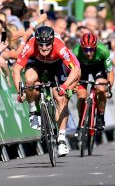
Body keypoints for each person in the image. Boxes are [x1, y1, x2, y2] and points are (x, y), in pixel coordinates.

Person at [13, 26, 81, 156]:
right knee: (29, 80)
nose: (44, 48)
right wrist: (20, 91)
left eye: (47, 45)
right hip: (36, 64)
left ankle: (61, 140)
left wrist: (65, 87)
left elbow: (76, 70)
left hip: (56, 66)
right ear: (37, 42)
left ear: (52, 42)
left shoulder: (59, 46)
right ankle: (33, 109)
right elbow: (16, 70)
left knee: (61, 100)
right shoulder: (30, 45)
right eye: (41, 45)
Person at [73, 33, 114, 133]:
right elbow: (72, 72)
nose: (88, 53)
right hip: (82, 69)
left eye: (91, 49)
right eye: (85, 50)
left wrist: (109, 88)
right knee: (81, 96)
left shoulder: (103, 51)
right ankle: (81, 121)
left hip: (98, 68)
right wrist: (73, 85)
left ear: (95, 47)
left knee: (101, 89)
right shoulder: (76, 52)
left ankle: (100, 115)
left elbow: (110, 72)